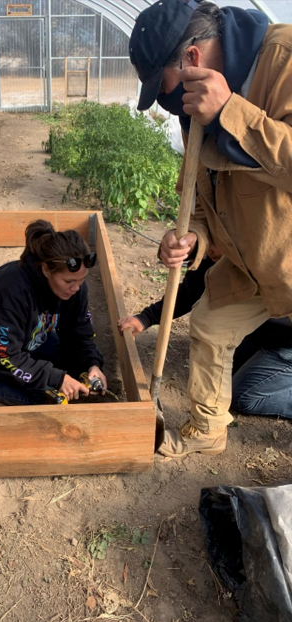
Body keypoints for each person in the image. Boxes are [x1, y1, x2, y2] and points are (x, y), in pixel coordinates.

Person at [129, 0, 292, 457]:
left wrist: (231, 113)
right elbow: (202, 199)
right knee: (211, 324)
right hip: (254, 264)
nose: (166, 103)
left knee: (255, 385)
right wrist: (194, 237)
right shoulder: (195, 110)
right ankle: (207, 431)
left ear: (193, 60)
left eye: (162, 88)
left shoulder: (283, 59)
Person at [0, 219, 107, 405]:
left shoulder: (75, 285)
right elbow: (6, 355)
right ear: (46, 269)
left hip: (32, 337)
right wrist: (57, 379)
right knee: (51, 397)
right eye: (69, 282)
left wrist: (92, 364)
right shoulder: (12, 291)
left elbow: (80, 333)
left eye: (81, 280)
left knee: (76, 372)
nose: (76, 288)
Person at [118, 250, 292, 419]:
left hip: (286, 340)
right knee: (222, 371)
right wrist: (145, 318)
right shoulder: (217, 253)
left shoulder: (266, 259)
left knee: (244, 396)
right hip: (260, 335)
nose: (209, 250)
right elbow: (191, 291)